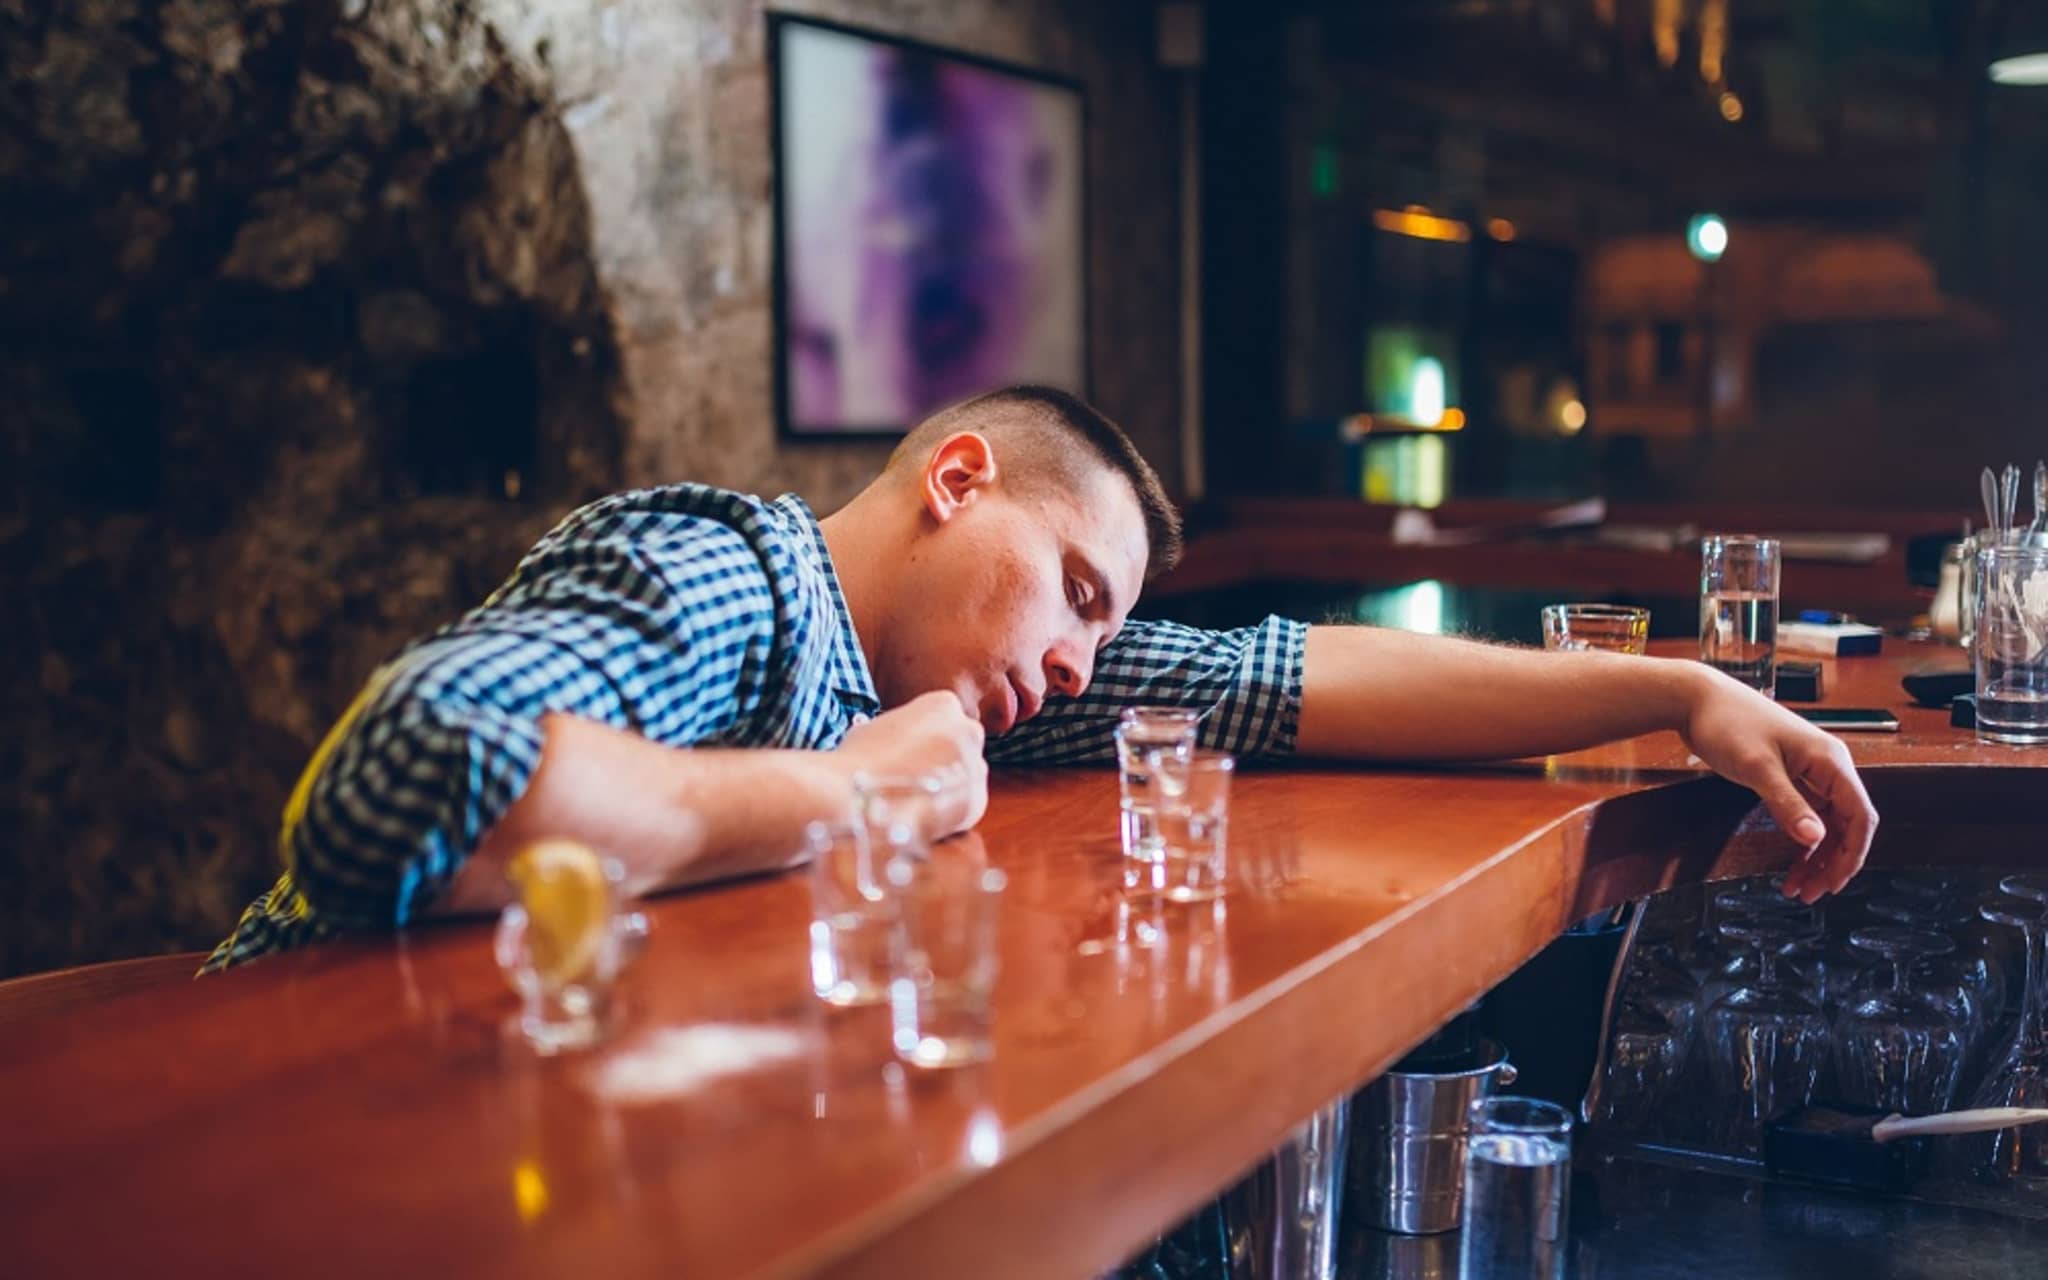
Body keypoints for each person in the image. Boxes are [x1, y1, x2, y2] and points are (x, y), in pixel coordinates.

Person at [203, 386, 1877, 971]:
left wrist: (1678, 704)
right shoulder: (731, 577)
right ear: (956, 481)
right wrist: (860, 792)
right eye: (1074, 591)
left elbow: (1303, 678)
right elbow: (407, 769)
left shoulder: (982, 684)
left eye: (1100, 624)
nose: (1082, 657)